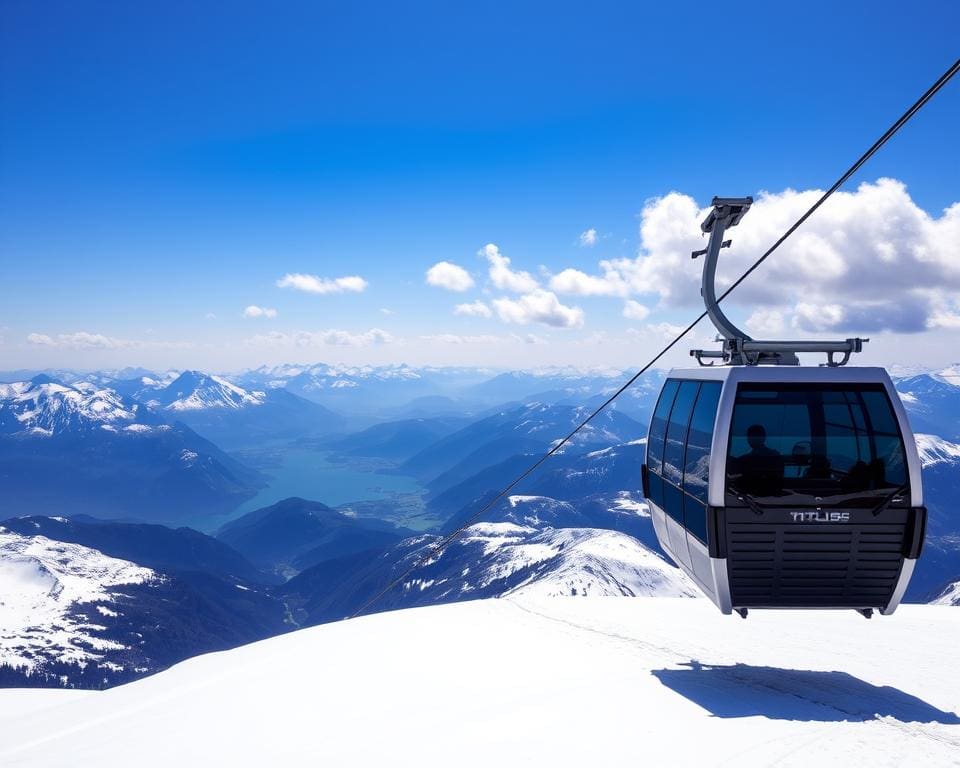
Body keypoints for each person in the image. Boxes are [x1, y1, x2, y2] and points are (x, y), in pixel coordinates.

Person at [735, 424, 785, 496]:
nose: (751, 439)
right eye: (750, 437)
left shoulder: (773, 457)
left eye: (754, 436)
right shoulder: (775, 456)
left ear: (763, 438)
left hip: (762, 497)